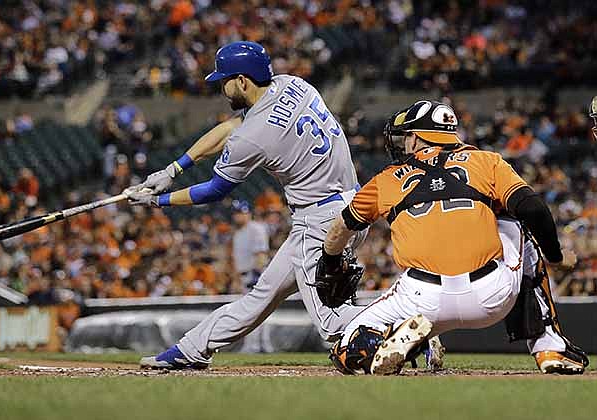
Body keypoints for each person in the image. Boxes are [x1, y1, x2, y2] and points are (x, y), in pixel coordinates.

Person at [124, 41, 373, 369]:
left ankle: (412, 318)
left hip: (321, 220)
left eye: (224, 80)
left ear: (242, 80)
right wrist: (174, 169)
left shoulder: (253, 135)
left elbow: (214, 190)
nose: (222, 88)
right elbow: (230, 129)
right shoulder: (294, 84)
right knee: (262, 297)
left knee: (330, 324)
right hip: (351, 207)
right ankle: (191, 350)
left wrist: (159, 200)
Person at [316, 100, 589, 375]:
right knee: (513, 222)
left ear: (416, 137)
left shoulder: (387, 179)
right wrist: (555, 256)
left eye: (406, 136)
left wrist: (330, 260)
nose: (403, 143)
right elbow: (533, 208)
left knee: (345, 350)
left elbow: (341, 227)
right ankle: (550, 348)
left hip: (422, 299)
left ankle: (395, 341)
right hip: (491, 295)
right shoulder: (486, 161)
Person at [231, 200, 269, 292]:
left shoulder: (256, 228)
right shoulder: (237, 233)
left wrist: (256, 279)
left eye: (240, 212)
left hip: (255, 277)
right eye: (235, 213)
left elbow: (261, 255)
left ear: (248, 213)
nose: (237, 216)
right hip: (243, 278)